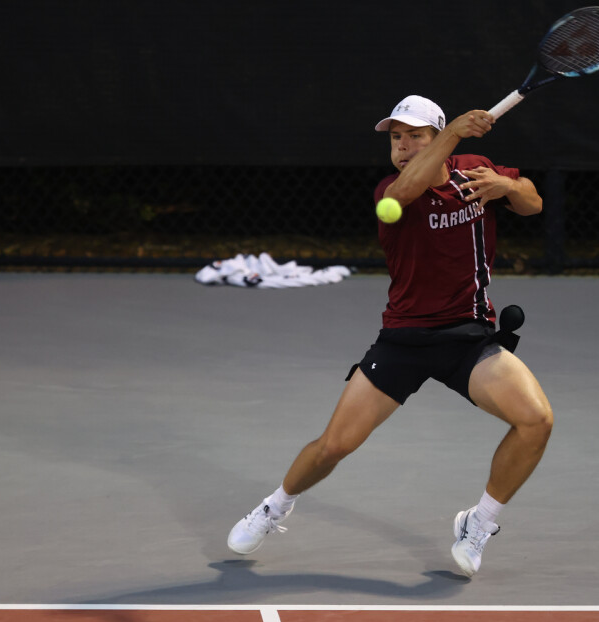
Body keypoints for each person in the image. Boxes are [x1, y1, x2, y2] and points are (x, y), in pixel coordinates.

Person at [227, 95, 553, 577]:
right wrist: (452, 135)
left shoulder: (476, 170)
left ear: (434, 134)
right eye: (396, 138)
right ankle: (275, 506)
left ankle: (479, 522)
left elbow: (533, 203)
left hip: (469, 337)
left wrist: (506, 185)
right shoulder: (392, 189)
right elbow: (403, 195)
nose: (402, 146)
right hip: (404, 340)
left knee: (536, 420)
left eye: (414, 135)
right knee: (334, 446)